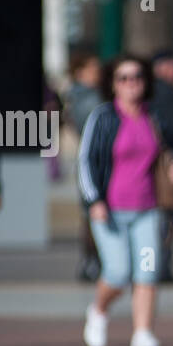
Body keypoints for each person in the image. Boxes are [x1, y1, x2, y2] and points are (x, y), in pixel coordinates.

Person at [77, 53, 173, 346]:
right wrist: (94, 200)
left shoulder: (153, 116)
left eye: (136, 77)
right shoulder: (104, 117)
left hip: (147, 209)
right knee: (118, 272)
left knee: (147, 272)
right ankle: (98, 310)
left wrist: (172, 165)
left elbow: (166, 151)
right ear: (113, 84)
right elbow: (86, 161)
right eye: (123, 78)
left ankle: (143, 332)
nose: (131, 83)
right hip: (110, 210)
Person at [66, 49, 103, 282]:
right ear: (80, 73)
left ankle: (91, 261)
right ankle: (92, 262)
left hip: (87, 160)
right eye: (92, 69)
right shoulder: (90, 99)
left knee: (89, 212)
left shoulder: (76, 97)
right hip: (95, 161)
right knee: (93, 211)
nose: (97, 73)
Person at [151, 50, 173, 282]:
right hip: (164, 159)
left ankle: (152, 264)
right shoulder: (167, 92)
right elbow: (168, 129)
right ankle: (161, 266)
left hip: (153, 159)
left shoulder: (149, 91)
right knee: (166, 212)